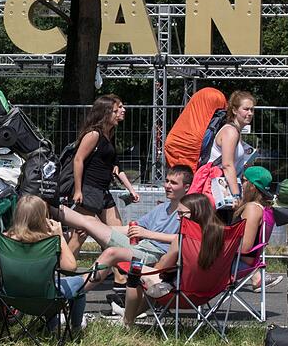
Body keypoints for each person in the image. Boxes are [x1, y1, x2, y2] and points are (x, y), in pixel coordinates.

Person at [50, 166, 193, 284]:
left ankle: (76, 289)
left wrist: (147, 234)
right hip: (141, 247)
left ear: (186, 187)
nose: (167, 186)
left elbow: (184, 238)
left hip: (157, 254)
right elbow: (129, 229)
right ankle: (49, 205)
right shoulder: (162, 208)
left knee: (111, 252)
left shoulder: (189, 211)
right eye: (166, 181)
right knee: (89, 222)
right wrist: (96, 229)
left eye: (173, 183)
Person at [0, 195, 87, 331]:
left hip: (12, 298)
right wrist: (60, 237)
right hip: (46, 299)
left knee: (50, 284)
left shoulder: (1, 241)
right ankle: (76, 328)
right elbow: (71, 268)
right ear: (42, 217)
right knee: (78, 282)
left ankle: (52, 326)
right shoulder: (50, 241)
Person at [121, 193, 223, 326]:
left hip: (183, 292)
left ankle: (127, 322)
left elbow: (162, 269)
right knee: (156, 280)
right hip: (211, 290)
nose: (177, 217)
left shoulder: (181, 238)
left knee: (135, 270)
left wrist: (158, 264)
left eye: (181, 214)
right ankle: (130, 317)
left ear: (196, 213)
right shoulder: (222, 234)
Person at [67, 95, 137, 256]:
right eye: (117, 109)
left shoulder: (109, 134)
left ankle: (116, 271)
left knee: (117, 238)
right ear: (106, 112)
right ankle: (63, 268)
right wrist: (78, 190)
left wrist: (131, 190)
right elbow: (78, 160)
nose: (123, 111)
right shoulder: (93, 134)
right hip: (89, 191)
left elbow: (116, 167)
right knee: (79, 235)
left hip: (103, 192)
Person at [232, 166, 284, 291]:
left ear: (252, 186)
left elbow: (244, 248)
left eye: (244, 180)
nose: (241, 184)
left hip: (236, 265)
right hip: (243, 264)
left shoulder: (252, 208)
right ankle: (257, 277)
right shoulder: (261, 208)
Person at [207, 90, 256, 200]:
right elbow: (227, 165)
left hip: (222, 187)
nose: (250, 113)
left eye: (252, 109)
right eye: (246, 109)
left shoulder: (235, 131)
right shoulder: (230, 131)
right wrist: (236, 195)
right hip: (217, 191)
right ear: (234, 110)